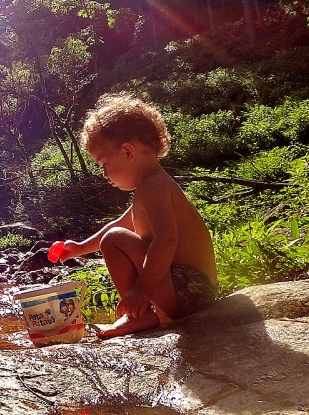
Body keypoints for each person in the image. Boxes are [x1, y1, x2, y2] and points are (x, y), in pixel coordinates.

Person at [59, 93, 218, 338]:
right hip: (189, 288)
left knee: (114, 239)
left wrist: (141, 291)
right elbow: (121, 223)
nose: (105, 174)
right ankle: (147, 314)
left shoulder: (153, 186)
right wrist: (79, 248)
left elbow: (166, 240)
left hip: (192, 288)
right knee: (113, 237)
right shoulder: (151, 186)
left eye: (103, 164)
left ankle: (140, 314)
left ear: (128, 152)